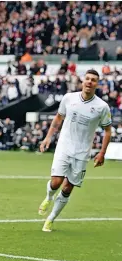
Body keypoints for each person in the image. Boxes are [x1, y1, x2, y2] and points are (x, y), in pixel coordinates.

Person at [38, 69, 112, 232]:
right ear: (82, 81)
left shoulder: (102, 107)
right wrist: (48, 137)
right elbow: (58, 118)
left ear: (97, 84)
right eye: (87, 79)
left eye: (93, 80)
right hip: (64, 147)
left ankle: (51, 219)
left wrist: (102, 153)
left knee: (67, 188)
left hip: (82, 153)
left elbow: (107, 131)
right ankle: (49, 197)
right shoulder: (69, 98)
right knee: (56, 182)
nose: (89, 82)